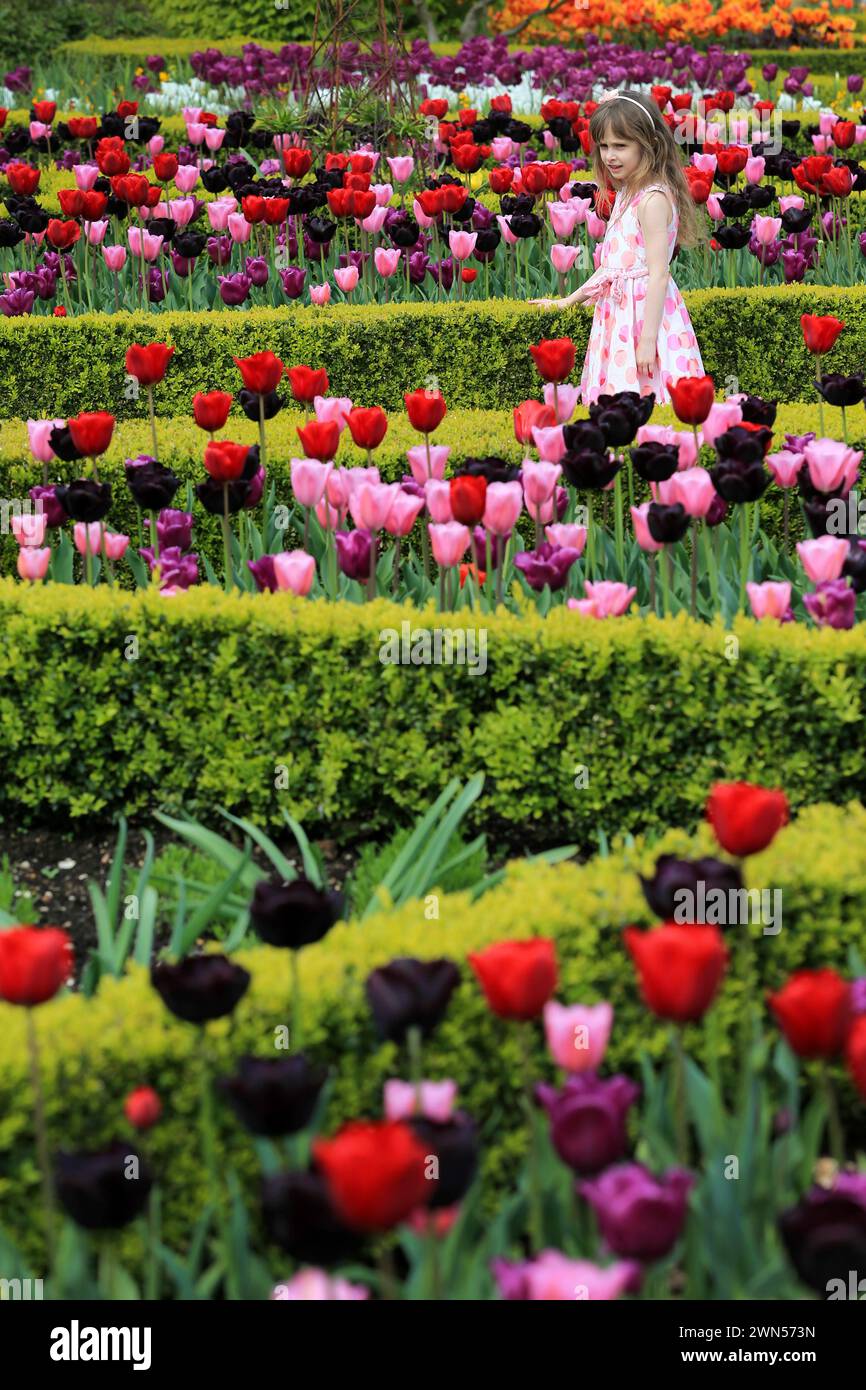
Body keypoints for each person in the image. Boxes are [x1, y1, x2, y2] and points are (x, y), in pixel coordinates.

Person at [530, 89, 705, 406]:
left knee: (647, 393)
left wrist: (648, 339)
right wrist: (566, 302)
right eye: (605, 146)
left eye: (621, 146)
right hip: (618, 317)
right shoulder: (627, 193)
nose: (610, 155)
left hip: (642, 319)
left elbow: (658, 275)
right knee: (615, 398)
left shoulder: (652, 199)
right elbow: (611, 269)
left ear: (648, 145)